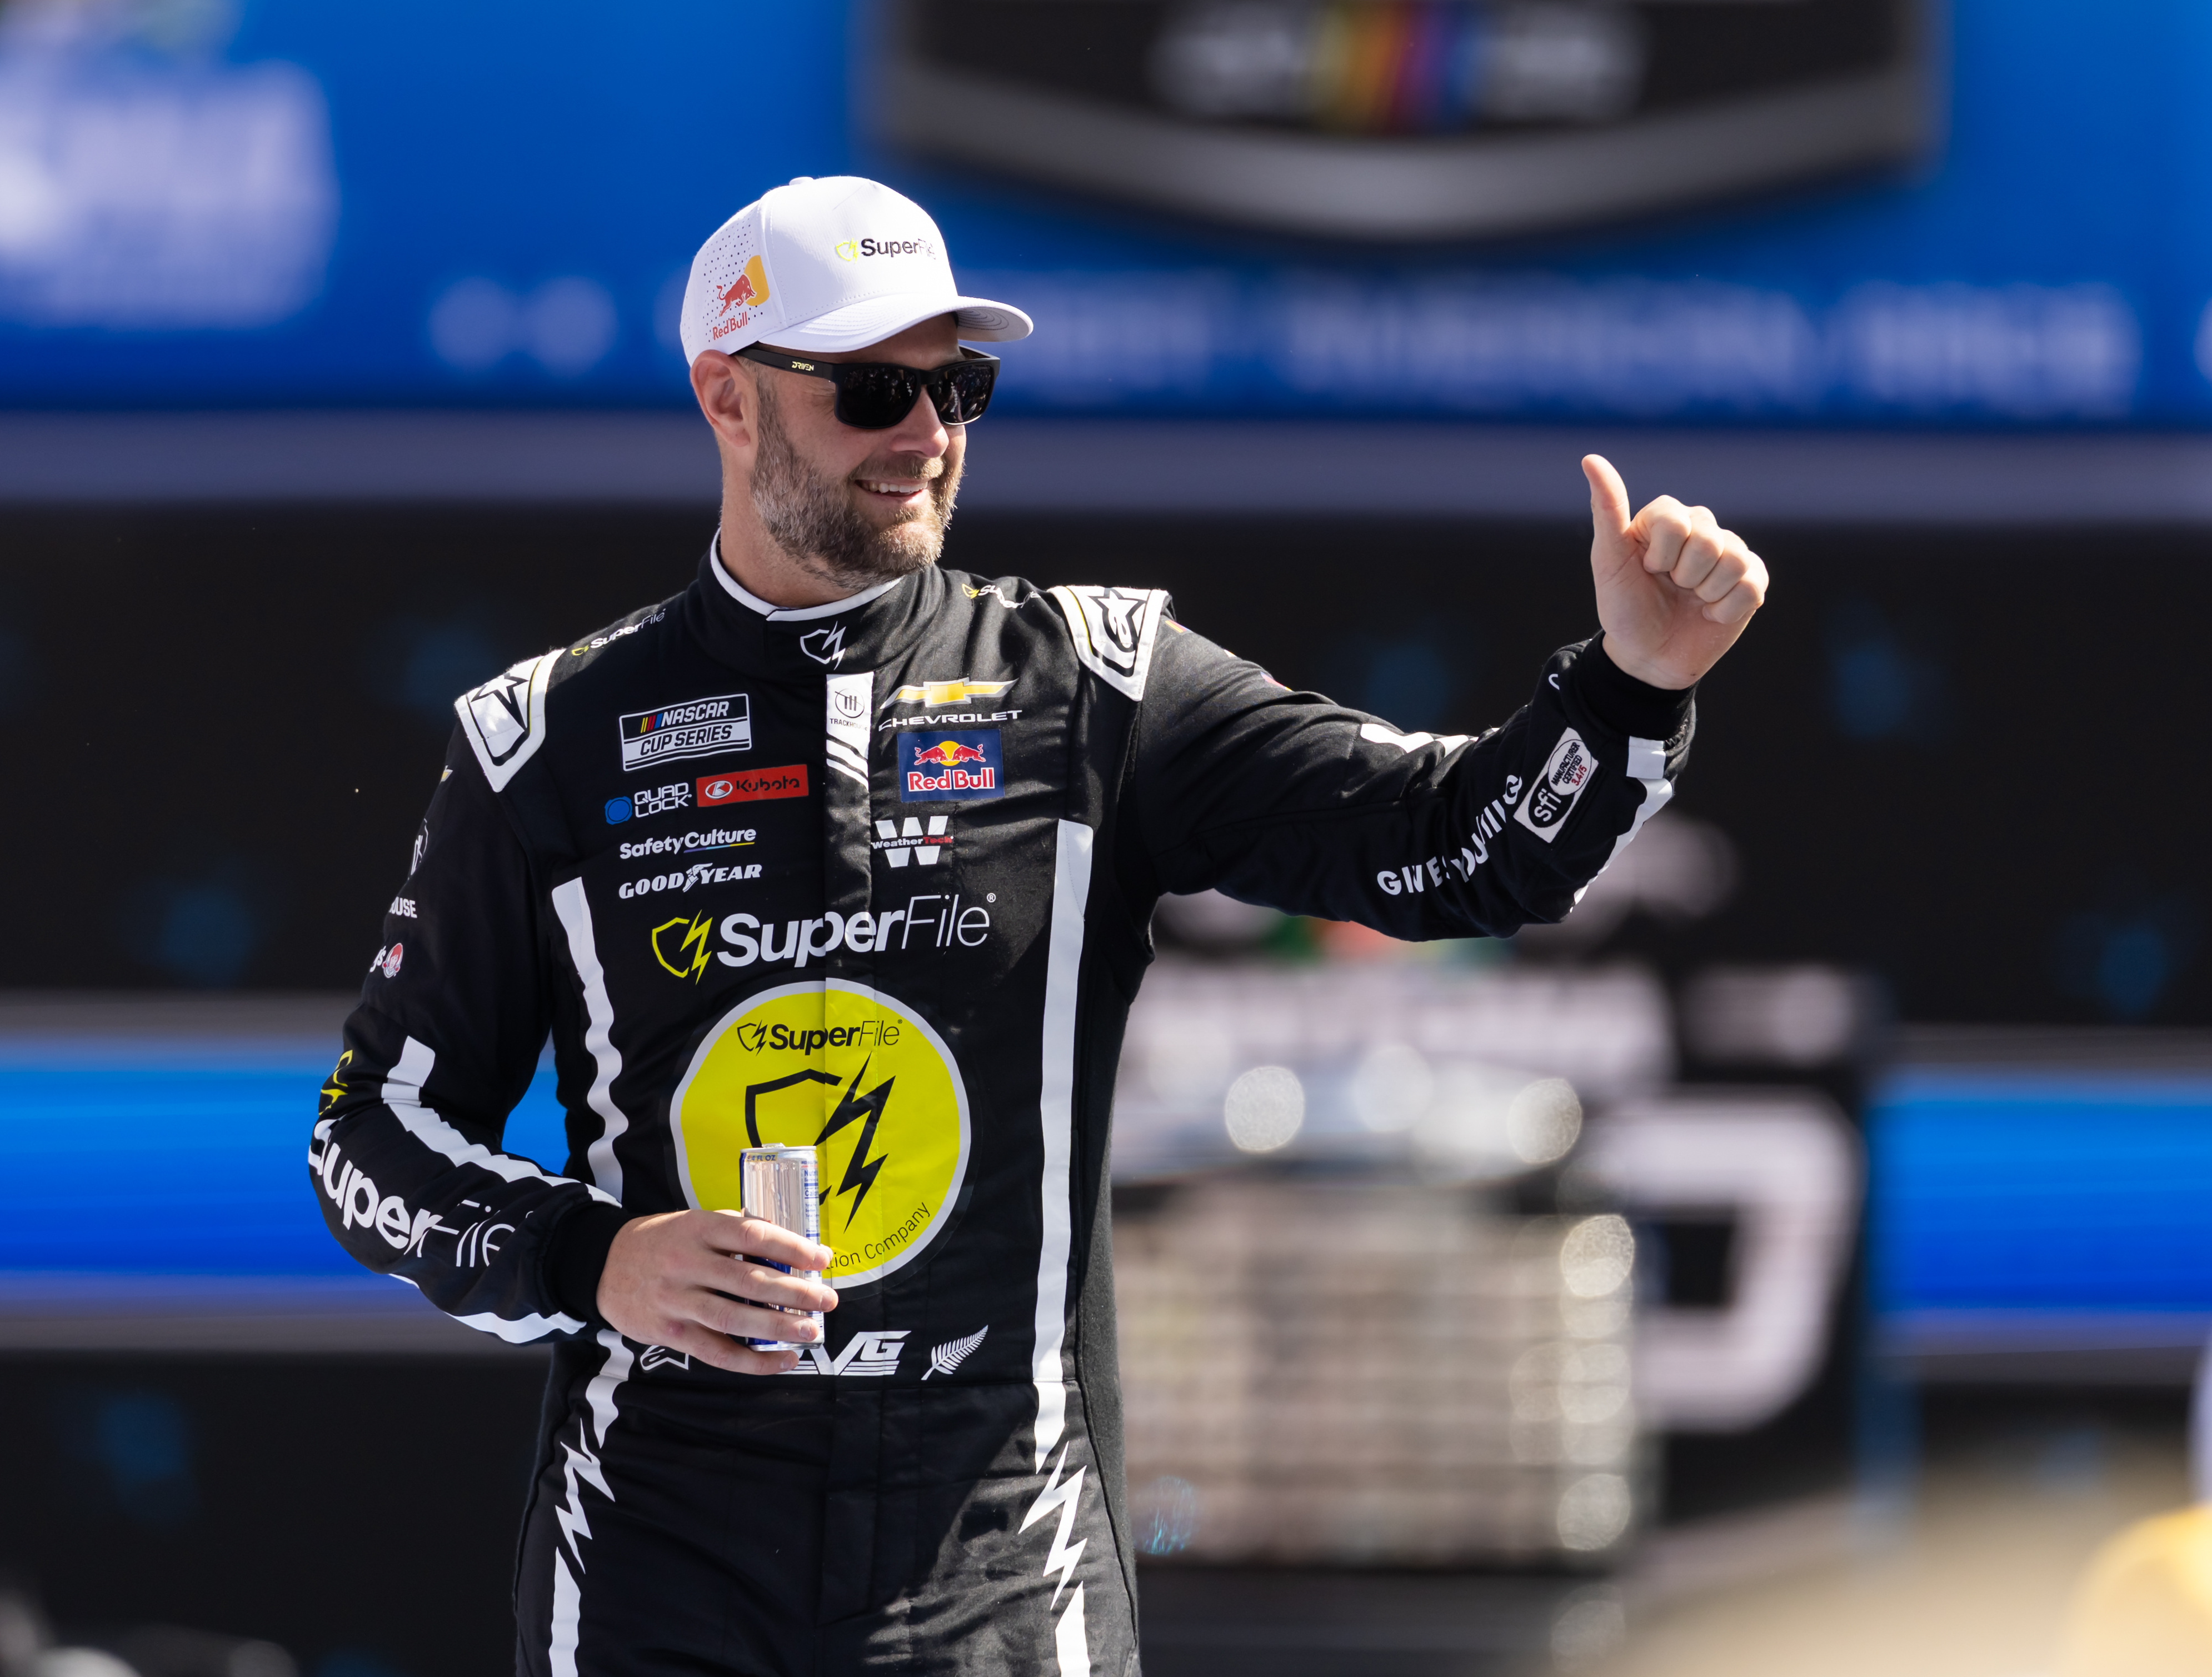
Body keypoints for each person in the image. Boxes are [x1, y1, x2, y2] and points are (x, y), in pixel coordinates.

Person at [311, 174, 1766, 1676]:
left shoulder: (1096, 684)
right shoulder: (544, 737)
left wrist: (1631, 686)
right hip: (658, 1562)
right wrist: (592, 1257)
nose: (927, 434)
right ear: (726, 400)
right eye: (876, 386)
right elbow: (367, 1135)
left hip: (998, 1564)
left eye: (959, 385)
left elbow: (1456, 853)